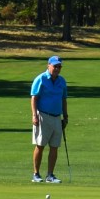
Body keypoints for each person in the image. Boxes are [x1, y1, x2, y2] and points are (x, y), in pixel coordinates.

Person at [30, 55, 69, 183]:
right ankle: (36, 174)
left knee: (54, 146)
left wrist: (65, 116)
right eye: (55, 66)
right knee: (40, 145)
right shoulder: (40, 79)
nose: (57, 69)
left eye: (59, 67)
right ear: (48, 65)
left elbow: (63, 99)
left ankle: (50, 175)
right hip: (43, 116)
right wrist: (34, 115)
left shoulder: (62, 81)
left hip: (57, 117)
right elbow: (34, 98)